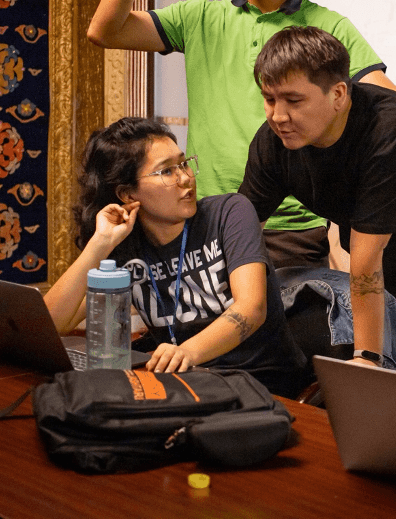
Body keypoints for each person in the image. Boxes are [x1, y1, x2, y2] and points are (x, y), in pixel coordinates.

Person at [86, 0, 396, 269]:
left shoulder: (328, 26)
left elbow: (381, 102)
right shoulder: (199, 17)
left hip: (294, 227)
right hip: (208, 217)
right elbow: (104, 30)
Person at [238, 26, 396, 377]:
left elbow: (366, 260)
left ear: (339, 94)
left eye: (293, 100)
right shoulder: (273, 144)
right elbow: (242, 239)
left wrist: (366, 359)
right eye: (269, 99)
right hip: (389, 259)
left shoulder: (392, 129)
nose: (278, 116)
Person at [44, 117, 308, 399]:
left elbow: (251, 309)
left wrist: (187, 352)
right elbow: (51, 324)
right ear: (127, 193)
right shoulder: (126, 246)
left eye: (183, 163)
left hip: (262, 386)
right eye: (166, 171)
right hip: (182, 386)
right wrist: (100, 244)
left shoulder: (229, 213)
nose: (185, 178)